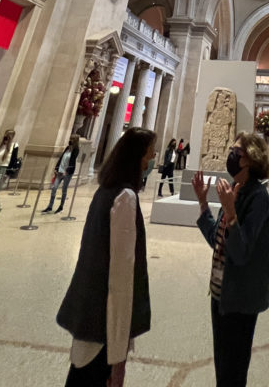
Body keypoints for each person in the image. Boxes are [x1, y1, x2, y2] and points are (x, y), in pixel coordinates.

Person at [57, 126, 156, 387]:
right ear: (136, 158)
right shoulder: (125, 198)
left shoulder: (105, 191)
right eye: (149, 155)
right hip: (103, 325)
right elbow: (121, 279)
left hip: (90, 315)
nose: (152, 161)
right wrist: (118, 356)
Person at [192, 132, 269, 387]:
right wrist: (203, 203)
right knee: (223, 365)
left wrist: (230, 211)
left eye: (236, 151)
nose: (231, 155)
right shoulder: (233, 189)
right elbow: (218, 240)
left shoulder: (258, 198)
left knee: (233, 371)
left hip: (241, 298)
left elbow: (241, 252)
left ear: (250, 159)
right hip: (221, 294)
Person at [43, 134, 81, 213]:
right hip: (60, 171)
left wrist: (67, 171)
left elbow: (72, 161)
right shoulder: (67, 148)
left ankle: (61, 206)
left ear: (75, 141)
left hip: (67, 172)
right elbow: (61, 158)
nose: (70, 140)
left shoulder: (76, 150)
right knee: (54, 188)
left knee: (64, 189)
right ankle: (50, 206)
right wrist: (56, 168)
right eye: (70, 138)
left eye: (72, 139)